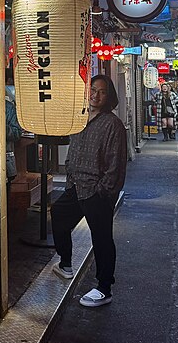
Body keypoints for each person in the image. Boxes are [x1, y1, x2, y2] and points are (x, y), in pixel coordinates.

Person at [50, 75, 127, 308]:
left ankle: (105, 288)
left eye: (102, 92)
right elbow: (73, 148)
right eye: (93, 89)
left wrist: (104, 191)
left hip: (96, 191)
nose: (96, 95)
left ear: (108, 96)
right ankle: (65, 263)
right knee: (58, 214)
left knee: (101, 238)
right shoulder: (80, 117)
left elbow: (116, 164)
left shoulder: (112, 124)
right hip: (75, 186)